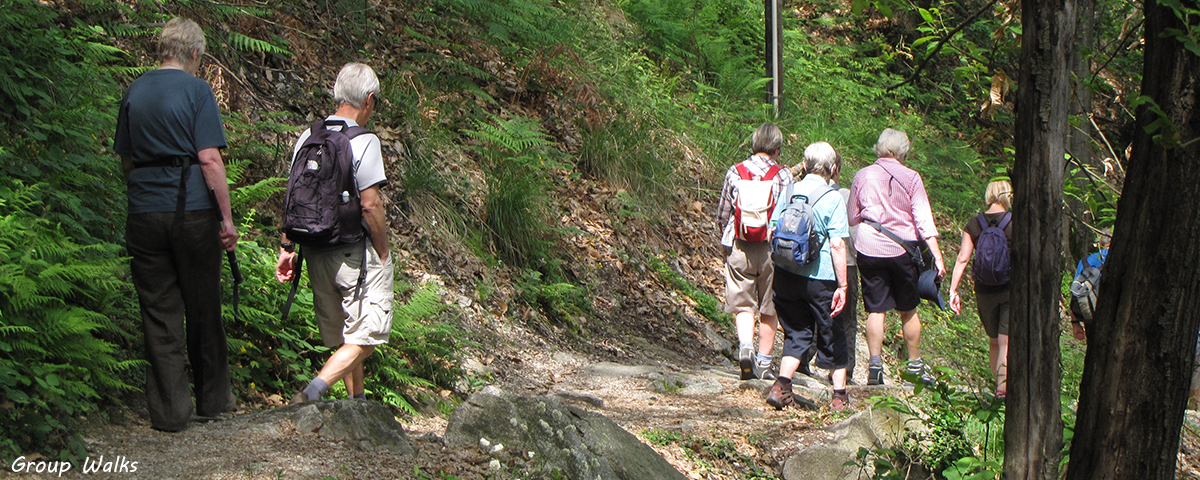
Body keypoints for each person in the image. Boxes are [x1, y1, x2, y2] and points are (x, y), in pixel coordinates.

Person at [114, 17, 238, 431]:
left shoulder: (134, 90)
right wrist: (226, 218)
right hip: (192, 213)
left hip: (144, 212)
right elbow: (209, 159)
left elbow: (127, 161)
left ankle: (170, 413)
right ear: (196, 54)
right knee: (203, 306)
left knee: (158, 312)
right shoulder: (198, 90)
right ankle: (213, 402)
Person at [276, 63, 394, 402]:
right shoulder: (363, 140)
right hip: (350, 253)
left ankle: (356, 406)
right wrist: (383, 252)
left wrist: (287, 246)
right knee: (367, 338)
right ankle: (311, 393)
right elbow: (370, 205)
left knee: (347, 335)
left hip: (313, 248)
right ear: (369, 100)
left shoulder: (308, 136)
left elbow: (292, 195)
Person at [848, 128, 946, 386]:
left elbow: (852, 217)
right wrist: (937, 256)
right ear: (903, 151)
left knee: (876, 309)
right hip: (903, 250)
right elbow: (924, 221)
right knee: (908, 308)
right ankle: (914, 366)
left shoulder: (862, 175)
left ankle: (875, 366)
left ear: (879, 148)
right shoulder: (912, 177)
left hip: (869, 248)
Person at [765, 142, 852, 411]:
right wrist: (843, 285)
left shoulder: (789, 191)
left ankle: (781, 386)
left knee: (796, 330)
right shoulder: (833, 198)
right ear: (833, 169)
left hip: (786, 275)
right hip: (821, 278)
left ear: (804, 164)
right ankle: (839, 397)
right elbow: (838, 245)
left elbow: (772, 231)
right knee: (833, 332)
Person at [716, 123, 793, 380]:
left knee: (743, 304)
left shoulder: (735, 171)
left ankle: (746, 347)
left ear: (753, 143)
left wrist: (725, 240)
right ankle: (764, 363)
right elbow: (790, 216)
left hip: (741, 244)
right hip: (773, 249)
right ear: (777, 149)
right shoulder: (783, 176)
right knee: (770, 306)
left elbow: (723, 214)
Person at [948, 180, 1013, 397]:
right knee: (1006, 342)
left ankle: (997, 387)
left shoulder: (975, 224)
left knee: (994, 341)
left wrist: (953, 290)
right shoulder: (1015, 221)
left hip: (984, 290)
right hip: (1009, 289)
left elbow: (963, 258)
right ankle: (1003, 390)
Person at [798, 163, 860, 384]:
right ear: (836, 170)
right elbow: (853, 234)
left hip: (815, 264)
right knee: (846, 319)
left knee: (815, 312)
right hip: (846, 263)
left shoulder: (801, 191)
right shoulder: (845, 195)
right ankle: (844, 369)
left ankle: (802, 359)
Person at [1070, 230, 1110, 341]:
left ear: (1100, 243)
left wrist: (1075, 323)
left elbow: (1075, 291)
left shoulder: (1086, 261)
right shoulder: (1126, 259)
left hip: (1090, 313)